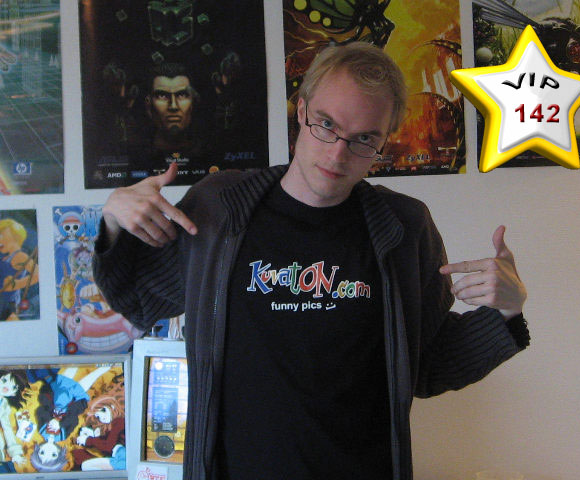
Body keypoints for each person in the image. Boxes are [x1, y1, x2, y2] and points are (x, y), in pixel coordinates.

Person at [93, 42, 529, 480]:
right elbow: (137, 301)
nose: (338, 154)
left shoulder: (403, 228)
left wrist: (507, 312)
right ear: (301, 112)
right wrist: (112, 220)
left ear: (385, 139)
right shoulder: (219, 209)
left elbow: (426, 366)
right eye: (326, 124)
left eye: (364, 139)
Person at [144, 62, 201, 162]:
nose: (173, 106)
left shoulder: (208, 153)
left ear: (193, 103)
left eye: (182, 95)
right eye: (162, 96)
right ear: (149, 105)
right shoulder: (137, 155)